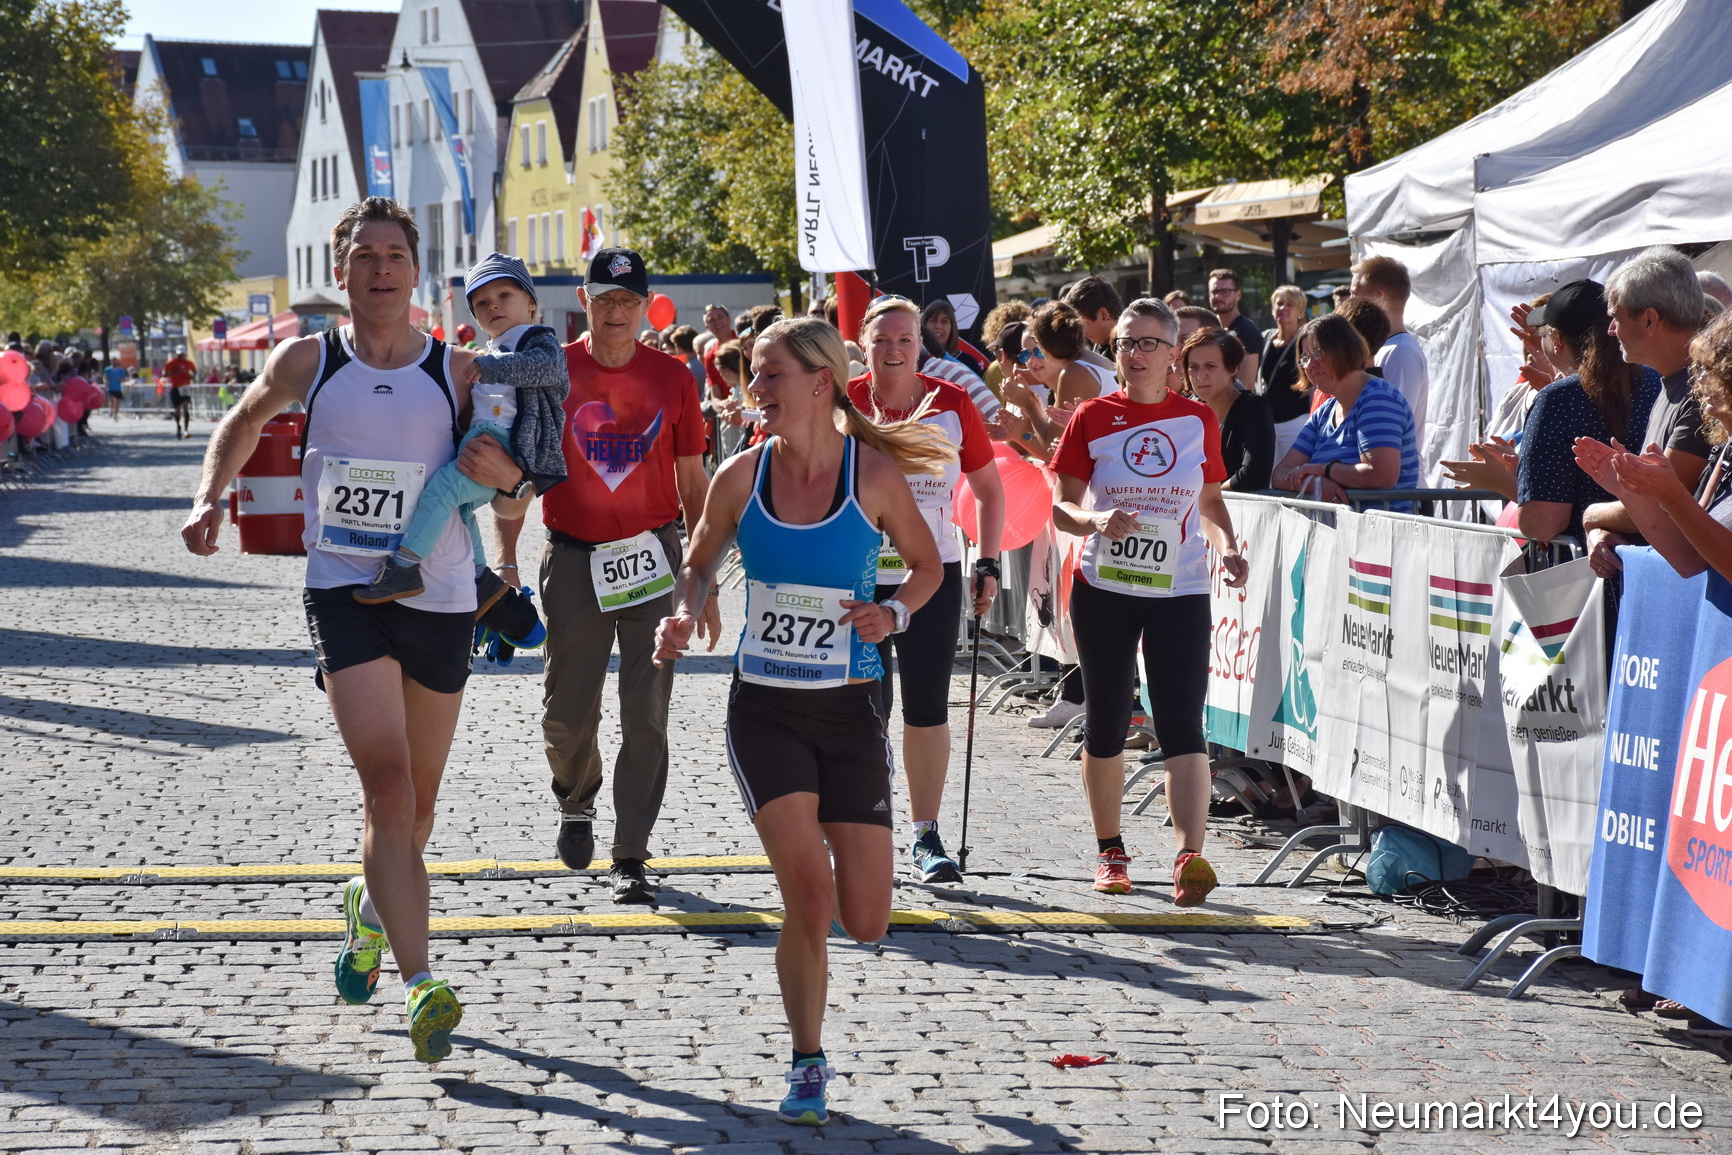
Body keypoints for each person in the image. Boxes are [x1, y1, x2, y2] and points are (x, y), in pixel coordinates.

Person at [180, 197, 530, 1063]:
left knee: (419, 810)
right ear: (341, 272)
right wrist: (207, 495)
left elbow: (514, 487)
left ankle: (368, 915)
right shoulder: (309, 358)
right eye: (364, 254)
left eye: (394, 254)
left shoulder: (458, 372)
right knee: (388, 787)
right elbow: (243, 419)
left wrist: (508, 477)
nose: (380, 267)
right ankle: (422, 984)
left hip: (440, 595)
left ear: (417, 270)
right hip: (345, 590)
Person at [652, 316, 951, 1126]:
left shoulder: (875, 474)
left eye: (770, 374)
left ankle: (825, 980)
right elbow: (698, 561)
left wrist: (893, 613)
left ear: (821, 382)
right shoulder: (741, 476)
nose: (755, 388)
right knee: (808, 895)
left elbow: (927, 569)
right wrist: (683, 611)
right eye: (752, 372)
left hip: (851, 709)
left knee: (868, 917)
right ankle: (808, 1060)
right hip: (766, 710)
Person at [495, 247, 717, 903]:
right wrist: (506, 558)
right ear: (583, 300)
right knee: (567, 717)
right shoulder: (554, 372)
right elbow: (520, 473)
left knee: (645, 714)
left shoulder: (675, 377)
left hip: (653, 560)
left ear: (644, 305)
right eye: (603, 298)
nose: (615, 312)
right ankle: (577, 796)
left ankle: (631, 853)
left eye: (626, 300)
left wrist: (699, 577)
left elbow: (692, 481)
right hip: (571, 558)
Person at [1051, 298, 1248, 898]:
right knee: (1107, 717)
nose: (1133, 355)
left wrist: (1228, 545)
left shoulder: (1197, 420)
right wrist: (1094, 520)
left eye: (1146, 344)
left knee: (1182, 719)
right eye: (1124, 344)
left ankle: (1191, 857)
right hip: (1104, 586)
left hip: (1179, 586)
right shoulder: (1092, 414)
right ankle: (1111, 851)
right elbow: (1062, 505)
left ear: (1172, 355)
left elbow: (1210, 503)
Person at [850, 297, 1004, 883]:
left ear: (922, 344)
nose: (893, 350)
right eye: (882, 339)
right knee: (862, 709)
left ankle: (925, 835)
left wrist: (987, 560)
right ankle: (862, 826)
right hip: (857, 578)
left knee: (926, 709)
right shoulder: (842, 402)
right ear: (863, 342)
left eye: (905, 339)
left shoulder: (953, 402)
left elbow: (990, 491)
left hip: (931, 574)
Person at [352, 253, 567, 611]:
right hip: (483, 437)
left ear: (531, 303)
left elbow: (546, 369)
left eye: (504, 296)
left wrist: (489, 366)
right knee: (461, 510)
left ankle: (404, 566)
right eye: (482, 303)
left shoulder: (537, 339)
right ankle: (481, 578)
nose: (493, 306)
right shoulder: (490, 348)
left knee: (440, 493)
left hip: (510, 443)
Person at [1580, 247, 1712, 576]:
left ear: (1650, 319)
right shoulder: (1674, 383)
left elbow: (1661, 504)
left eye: (1616, 316)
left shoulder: (1703, 392)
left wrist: (1592, 516)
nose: (1611, 330)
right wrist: (1604, 529)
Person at [1574, 308, 1732, 580]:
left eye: (1715, 369)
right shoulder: (1724, 450)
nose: (1702, 379)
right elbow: (1690, 560)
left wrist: (1670, 494)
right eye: (1702, 367)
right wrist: (1631, 492)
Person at [1512, 279, 1658, 546]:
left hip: (1588, 574)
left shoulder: (1556, 399)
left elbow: (1542, 523)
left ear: (1556, 340)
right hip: (1664, 562)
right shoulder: (1658, 381)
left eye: (1542, 334)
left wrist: (1505, 482)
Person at [1270, 314, 1420, 512]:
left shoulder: (1377, 399)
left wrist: (1325, 470)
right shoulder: (1325, 412)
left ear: (1344, 349)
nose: (1309, 365)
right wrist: (1315, 483)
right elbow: (1280, 474)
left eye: (1317, 352)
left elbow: (1380, 476)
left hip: (1380, 536)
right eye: (1305, 358)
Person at [1350, 256, 1429, 446]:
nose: (1348, 302)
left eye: (1354, 294)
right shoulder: (1388, 348)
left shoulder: (1401, 353)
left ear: (1379, 297)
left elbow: (1391, 427)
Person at [1183, 327, 1274, 491]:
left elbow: (1253, 474)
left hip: (1239, 512)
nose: (1200, 376)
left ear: (1233, 368)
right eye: (1194, 366)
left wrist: (1211, 499)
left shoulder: (1254, 409)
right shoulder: (1187, 411)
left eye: (1210, 366)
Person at [1258, 284, 1311, 459]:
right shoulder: (1266, 338)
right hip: (1268, 421)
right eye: (1279, 304)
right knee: (1269, 478)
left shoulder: (1306, 340)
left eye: (1290, 304)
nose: (1283, 308)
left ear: (1300, 311)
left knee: (1292, 477)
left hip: (1296, 420)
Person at [1205, 269, 1263, 389]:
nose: (1218, 296)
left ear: (1238, 295)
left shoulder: (1246, 331)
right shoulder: (1210, 329)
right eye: (1214, 291)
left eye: (1225, 292)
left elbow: (1245, 385)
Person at [920, 298, 988, 376]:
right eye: (933, 320)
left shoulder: (968, 363)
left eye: (944, 321)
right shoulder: (916, 361)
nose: (938, 326)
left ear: (952, 327)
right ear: (924, 326)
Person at [1061, 277, 1125, 355]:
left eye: (1082, 324)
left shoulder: (1125, 349)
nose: (1082, 332)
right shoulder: (1103, 344)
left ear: (1103, 314)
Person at [163, 344, 197, 438]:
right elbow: (164, 374)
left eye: (182, 354)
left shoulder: (188, 363)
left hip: (185, 387)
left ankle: (186, 430)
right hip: (175, 388)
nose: (180, 356)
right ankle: (178, 427)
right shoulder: (171, 363)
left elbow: (194, 371)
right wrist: (175, 373)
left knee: (186, 408)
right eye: (179, 354)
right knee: (177, 410)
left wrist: (192, 375)